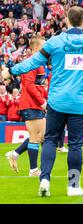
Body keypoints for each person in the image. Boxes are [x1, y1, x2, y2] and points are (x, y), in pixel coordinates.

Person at [9, 6, 83, 197]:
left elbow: (34, 62)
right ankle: (73, 187)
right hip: (80, 102)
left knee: (50, 140)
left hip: (57, 100)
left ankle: (44, 180)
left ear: (67, 20)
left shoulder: (55, 42)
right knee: (75, 145)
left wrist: (12, 70)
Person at [5, 35, 47, 177]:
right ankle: (33, 170)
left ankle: (15, 154)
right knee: (36, 137)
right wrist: (42, 101)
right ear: (35, 48)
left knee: (42, 137)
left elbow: (38, 85)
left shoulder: (40, 63)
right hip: (30, 104)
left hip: (36, 104)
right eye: (43, 46)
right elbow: (29, 86)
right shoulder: (32, 63)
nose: (46, 49)